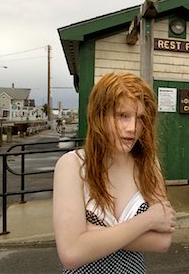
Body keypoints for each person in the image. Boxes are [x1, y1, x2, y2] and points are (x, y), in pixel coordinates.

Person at [53, 72, 176, 273]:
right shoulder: (72, 165)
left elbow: (162, 241)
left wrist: (89, 235)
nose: (132, 128)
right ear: (98, 115)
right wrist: (147, 220)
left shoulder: (148, 164)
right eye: (122, 115)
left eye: (140, 118)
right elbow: (71, 253)